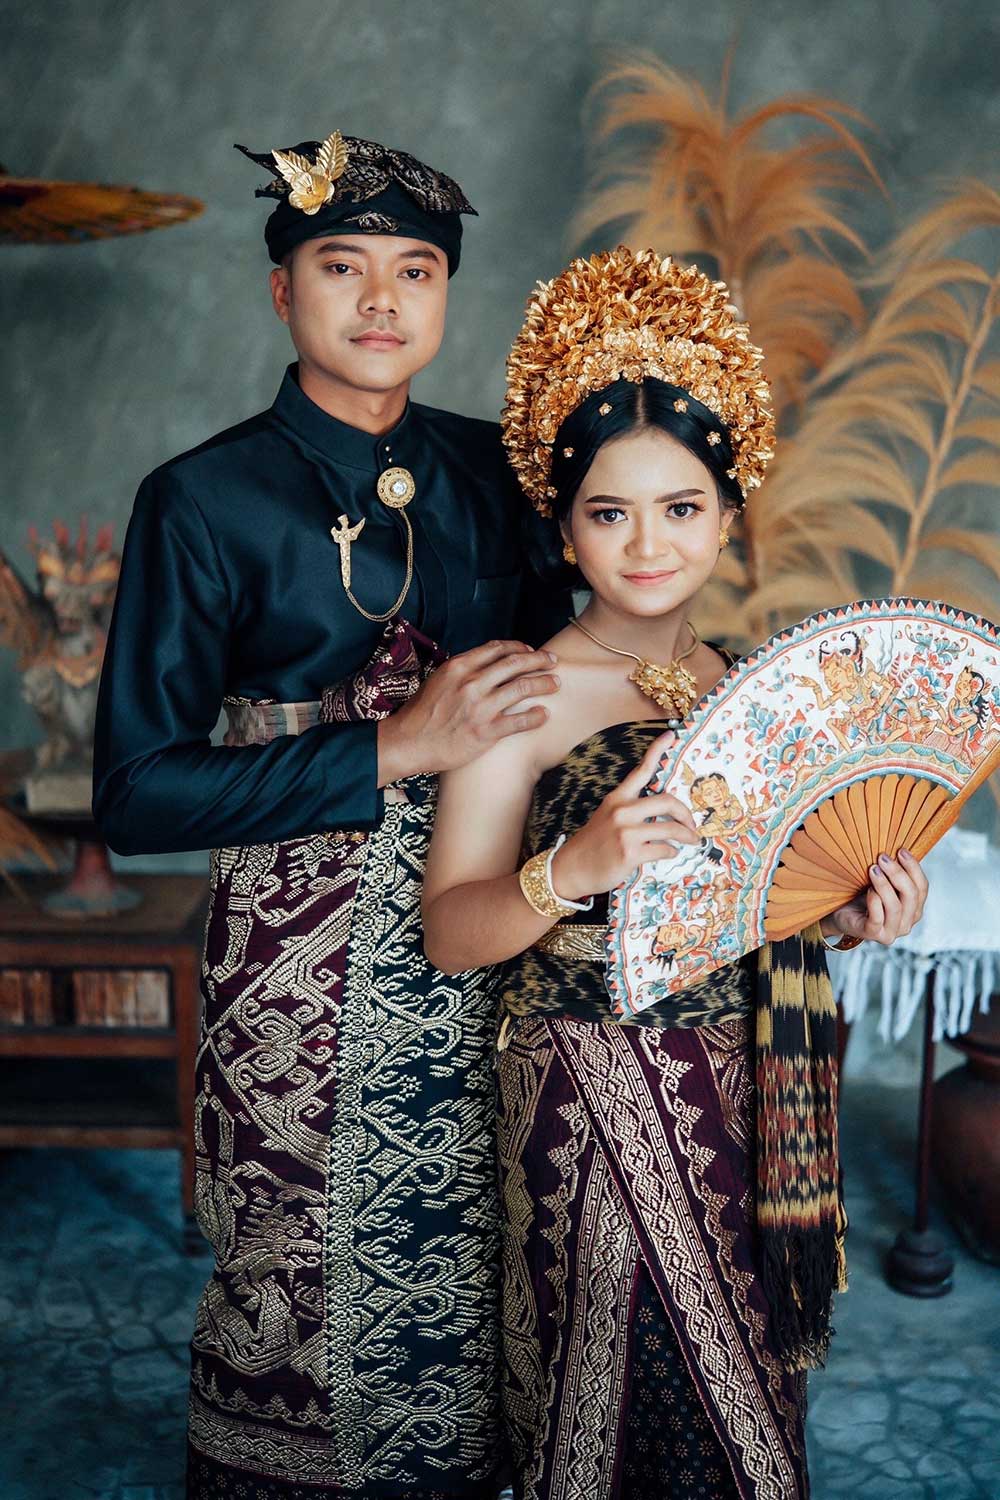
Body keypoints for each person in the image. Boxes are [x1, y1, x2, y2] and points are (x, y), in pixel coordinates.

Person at [93, 129, 564, 1500]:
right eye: (341, 265)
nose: (379, 299)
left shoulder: (501, 475)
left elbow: (589, 682)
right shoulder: (201, 498)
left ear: (446, 294)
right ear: (280, 289)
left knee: (484, 1244)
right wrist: (393, 747)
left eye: (415, 270)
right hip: (293, 977)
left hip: (485, 933)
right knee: (293, 1255)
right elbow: (137, 791)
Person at [422, 248, 930, 1499]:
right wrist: (573, 866)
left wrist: (854, 916)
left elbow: (764, 905)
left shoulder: (756, 687)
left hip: (753, 1089)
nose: (647, 543)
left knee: (751, 1404)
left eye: (681, 508)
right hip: (587, 1086)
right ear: (562, 524)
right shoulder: (519, 692)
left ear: (728, 511)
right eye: (609, 513)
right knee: (616, 1393)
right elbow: (449, 932)